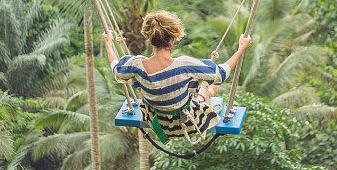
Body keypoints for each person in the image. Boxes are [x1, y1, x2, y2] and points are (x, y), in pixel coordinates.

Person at [103, 11, 251, 144]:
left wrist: (108, 45)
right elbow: (221, 73)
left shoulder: (136, 65)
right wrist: (240, 49)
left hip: (157, 122)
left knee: (196, 85)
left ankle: (204, 88)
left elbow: (117, 70)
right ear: (172, 40)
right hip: (187, 122)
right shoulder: (183, 65)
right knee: (206, 89)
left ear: (149, 38)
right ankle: (206, 90)